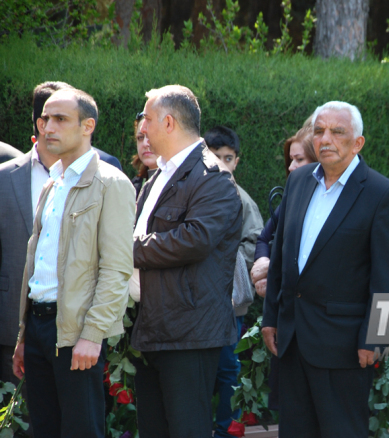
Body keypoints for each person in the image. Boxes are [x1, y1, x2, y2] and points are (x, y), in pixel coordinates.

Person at [261, 101, 389, 437]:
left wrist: (374, 338)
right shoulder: (298, 181)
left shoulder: (381, 194)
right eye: (319, 131)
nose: (325, 139)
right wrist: (271, 317)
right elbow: (282, 257)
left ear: (357, 143)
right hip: (293, 339)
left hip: (344, 347)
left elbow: (388, 278)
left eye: (337, 132)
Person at [12, 87, 135, 437]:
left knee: (82, 431)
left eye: (60, 119)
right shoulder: (53, 185)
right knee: (43, 430)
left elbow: (117, 269)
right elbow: (38, 266)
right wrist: (24, 336)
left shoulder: (112, 183)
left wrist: (93, 335)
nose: (48, 126)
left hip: (77, 332)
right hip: (37, 329)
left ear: (88, 126)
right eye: (45, 118)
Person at [131, 85, 243, 438]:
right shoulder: (158, 175)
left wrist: (123, 249)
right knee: (153, 430)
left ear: (167, 122)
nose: (142, 129)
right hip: (152, 327)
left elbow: (194, 240)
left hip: (189, 333)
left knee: (186, 430)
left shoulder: (213, 177)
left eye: (146, 119)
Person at [0, 82, 65, 385]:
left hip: (71, 328)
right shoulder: (5, 176)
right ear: (42, 123)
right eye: (57, 117)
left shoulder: (101, 170)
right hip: (9, 321)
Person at [203, 124, 264, 438]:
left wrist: (221, 260)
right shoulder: (195, 192)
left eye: (228, 157)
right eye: (215, 156)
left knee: (228, 368)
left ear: (237, 160)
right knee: (199, 370)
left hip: (228, 303)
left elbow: (255, 243)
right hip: (196, 302)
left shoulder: (244, 201)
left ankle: (228, 428)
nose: (222, 163)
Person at [251, 124, 317, 298]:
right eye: (291, 159)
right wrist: (262, 262)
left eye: (299, 159)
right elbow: (264, 238)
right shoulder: (292, 197)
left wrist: (272, 268)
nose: (291, 167)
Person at [130, 111, 158, 196]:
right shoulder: (133, 187)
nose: (145, 143)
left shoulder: (184, 182)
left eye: (152, 135)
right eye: (140, 137)